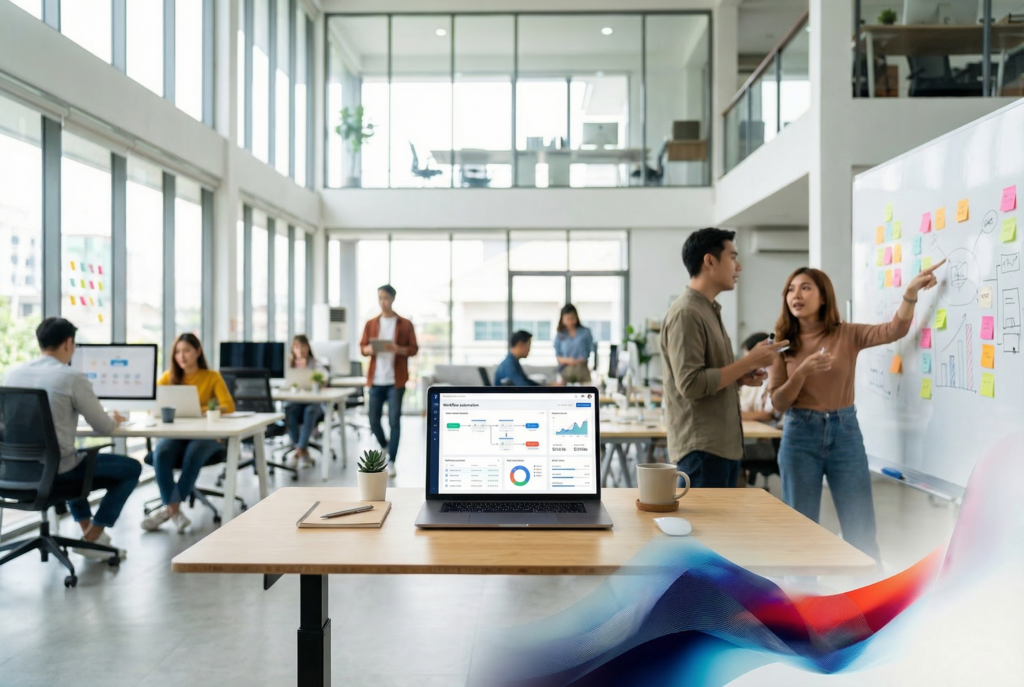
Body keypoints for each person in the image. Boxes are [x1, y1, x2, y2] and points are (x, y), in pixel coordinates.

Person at [768, 261, 944, 560]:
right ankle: (801, 597)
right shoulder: (781, 345)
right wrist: (802, 373)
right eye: (790, 289)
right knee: (800, 529)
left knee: (860, 529)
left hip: (844, 433)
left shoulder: (846, 334)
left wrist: (911, 293)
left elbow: (894, 330)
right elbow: (778, 403)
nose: (795, 294)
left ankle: (868, 600)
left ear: (823, 297)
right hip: (800, 435)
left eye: (805, 287)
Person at [660, 228, 789, 488]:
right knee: (705, 529)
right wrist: (749, 361)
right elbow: (691, 384)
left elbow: (708, 376)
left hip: (721, 446)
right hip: (702, 449)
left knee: (718, 529)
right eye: (732, 257)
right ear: (710, 261)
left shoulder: (708, 310)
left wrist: (738, 378)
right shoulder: (687, 313)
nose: (739, 266)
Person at [3, 318, 141, 560]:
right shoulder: (72, 377)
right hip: (57, 475)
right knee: (130, 468)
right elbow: (103, 426)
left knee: (75, 458)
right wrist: (115, 419)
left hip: (13, 475)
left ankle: (90, 535)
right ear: (68, 343)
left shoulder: (11, 375)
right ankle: (93, 535)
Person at [141, 333, 235, 533]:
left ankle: (170, 510)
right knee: (161, 452)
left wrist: (203, 410)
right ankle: (174, 511)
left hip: (206, 435)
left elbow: (229, 406)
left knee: (194, 453)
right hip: (177, 435)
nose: (181, 356)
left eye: (186, 351)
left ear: (198, 352)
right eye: (177, 352)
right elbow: (152, 405)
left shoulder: (211, 376)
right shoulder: (168, 377)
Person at [360, 284, 418, 478]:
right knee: (373, 419)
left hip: (396, 381)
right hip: (376, 380)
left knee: (394, 421)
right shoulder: (371, 323)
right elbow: (363, 348)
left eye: (385, 298)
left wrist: (397, 349)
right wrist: (369, 350)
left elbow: (413, 349)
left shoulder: (404, 324)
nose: (382, 302)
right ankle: (384, 446)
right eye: (380, 298)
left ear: (393, 299)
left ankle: (392, 461)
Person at [285, 334, 323, 469]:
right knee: (289, 411)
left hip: (313, 403)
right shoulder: (288, 365)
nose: (300, 350)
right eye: (296, 347)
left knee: (310, 411)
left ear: (308, 347)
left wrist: (308, 369)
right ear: (292, 349)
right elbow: (284, 384)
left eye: (303, 346)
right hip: (295, 402)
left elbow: (324, 379)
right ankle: (302, 451)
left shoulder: (315, 363)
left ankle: (298, 451)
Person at [738, 333, 776, 424]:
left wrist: (736, 415)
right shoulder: (752, 375)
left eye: (748, 357)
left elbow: (767, 415)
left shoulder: (773, 375)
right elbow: (745, 408)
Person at [554, 304, 594, 383]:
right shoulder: (560, 334)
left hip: (582, 371)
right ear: (562, 319)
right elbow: (558, 357)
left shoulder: (585, 332)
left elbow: (590, 352)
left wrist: (579, 361)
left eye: (573, 318)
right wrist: (570, 361)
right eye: (568, 319)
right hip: (565, 373)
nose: (571, 321)